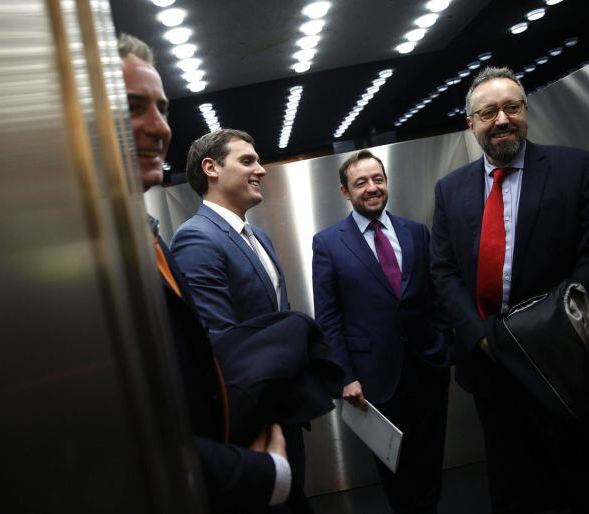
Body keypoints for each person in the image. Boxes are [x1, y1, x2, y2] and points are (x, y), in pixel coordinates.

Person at [430, 65, 589, 513]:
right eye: (488, 112)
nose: (502, 120)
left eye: (513, 107)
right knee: (514, 488)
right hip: (493, 369)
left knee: (588, 485)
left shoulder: (577, 169)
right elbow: (444, 272)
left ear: (526, 111)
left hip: (569, 367)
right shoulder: (450, 190)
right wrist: (483, 338)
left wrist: (540, 340)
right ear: (471, 125)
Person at [119, 33, 291, 513]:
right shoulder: (194, 240)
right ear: (212, 169)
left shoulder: (148, 234)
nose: (159, 127)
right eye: (134, 106)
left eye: (162, 108)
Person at [171, 129, 312, 513]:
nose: (261, 170)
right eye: (247, 161)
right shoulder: (197, 239)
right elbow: (222, 346)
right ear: (211, 168)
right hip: (256, 426)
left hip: (284, 411)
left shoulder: (259, 237)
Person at [311, 150, 450, 514]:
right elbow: (328, 317)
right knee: (395, 469)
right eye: (361, 182)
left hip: (428, 368)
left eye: (378, 179)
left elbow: (436, 296)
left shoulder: (416, 231)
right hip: (372, 380)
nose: (372, 188)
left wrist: (444, 346)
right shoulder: (327, 243)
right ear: (345, 191)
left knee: (431, 459)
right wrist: (345, 376)